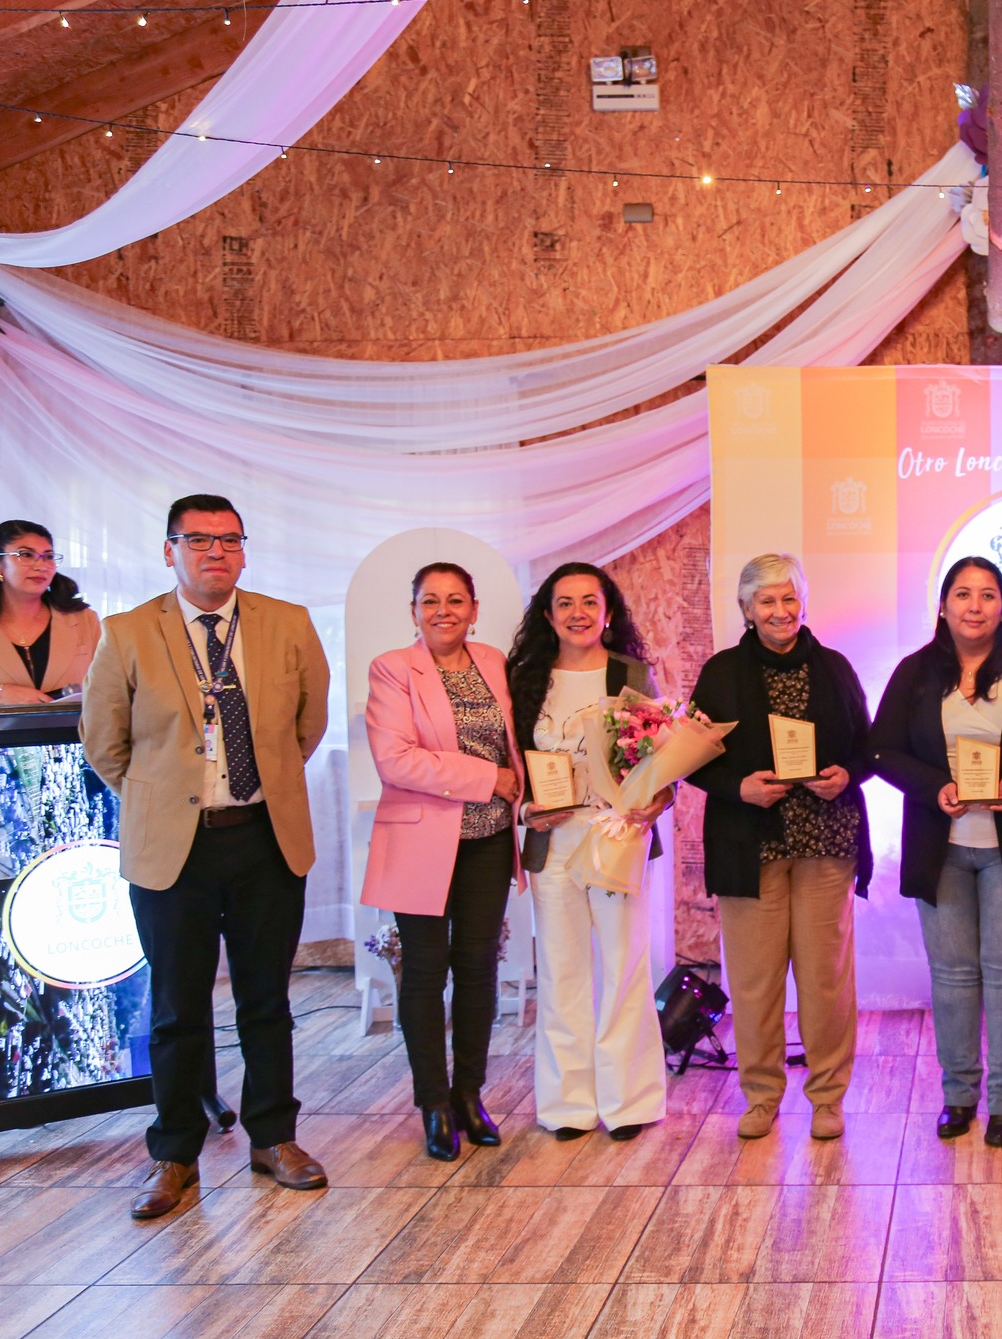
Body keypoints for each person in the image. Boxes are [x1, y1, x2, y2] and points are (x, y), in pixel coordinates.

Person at [79, 494, 331, 1220]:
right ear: (170, 550)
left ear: (244, 550)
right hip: (173, 846)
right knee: (177, 1005)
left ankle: (274, 1138)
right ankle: (174, 1152)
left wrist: (259, 782)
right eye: (198, 540)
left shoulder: (288, 622)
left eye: (228, 539)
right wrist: (167, 796)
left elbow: (306, 723)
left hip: (264, 835)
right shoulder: (127, 632)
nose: (215, 551)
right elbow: (105, 742)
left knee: (266, 998)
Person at [871, 557, 1002, 1148]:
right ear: (942, 605)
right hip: (942, 849)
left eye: (988, 595)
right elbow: (882, 749)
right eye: (962, 594)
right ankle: (958, 1095)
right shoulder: (915, 672)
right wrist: (934, 788)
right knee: (954, 978)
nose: (975, 606)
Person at [687, 554, 874, 1142]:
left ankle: (826, 1098)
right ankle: (762, 1098)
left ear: (803, 603)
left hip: (826, 843)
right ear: (746, 609)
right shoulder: (720, 674)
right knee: (754, 980)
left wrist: (848, 774)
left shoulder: (837, 668)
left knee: (825, 979)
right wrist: (737, 787)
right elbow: (689, 762)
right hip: (751, 846)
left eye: (789, 598)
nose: (780, 611)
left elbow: (870, 748)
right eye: (766, 601)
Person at [361, 563, 522, 1161]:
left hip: (486, 841)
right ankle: (432, 1102)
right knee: (426, 973)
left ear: (474, 609)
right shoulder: (392, 669)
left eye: (456, 600)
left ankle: (469, 1094)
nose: (444, 611)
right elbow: (397, 760)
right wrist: (492, 778)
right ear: (413, 612)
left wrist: (524, 787)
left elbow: (513, 741)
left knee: (479, 968)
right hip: (420, 842)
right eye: (430, 601)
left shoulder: (493, 662)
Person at [508, 563, 672, 1143]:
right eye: (564, 602)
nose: (578, 612)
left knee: (625, 968)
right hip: (552, 841)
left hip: (616, 839)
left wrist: (659, 798)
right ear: (547, 615)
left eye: (589, 601)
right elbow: (508, 764)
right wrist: (525, 809)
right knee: (561, 971)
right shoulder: (523, 678)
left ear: (608, 611)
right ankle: (567, 1105)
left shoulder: (630, 673)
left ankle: (628, 1102)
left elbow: (658, 760)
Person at [0, 519, 101, 704]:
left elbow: (110, 691)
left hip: (73, 732)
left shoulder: (85, 620)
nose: (41, 565)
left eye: (48, 556)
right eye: (26, 554)